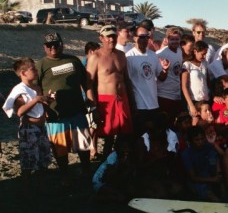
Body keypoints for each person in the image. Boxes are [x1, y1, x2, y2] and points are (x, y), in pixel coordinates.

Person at [37, 32, 93, 185]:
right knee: (60, 148)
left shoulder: (73, 60)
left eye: (56, 44)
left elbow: (85, 82)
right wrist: (42, 105)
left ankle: (87, 170)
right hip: (55, 114)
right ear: (45, 47)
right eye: (49, 45)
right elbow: (35, 88)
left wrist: (90, 98)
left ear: (62, 44)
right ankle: (64, 175)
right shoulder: (41, 64)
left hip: (77, 110)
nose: (53, 47)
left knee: (83, 144)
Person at [2, 58, 53, 191]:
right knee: (29, 158)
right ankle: (26, 185)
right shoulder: (20, 90)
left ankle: (41, 183)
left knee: (43, 155)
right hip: (29, 128)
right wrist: (36, 100)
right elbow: (20, 111)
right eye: (33, 69)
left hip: (41, 126)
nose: (36, 71)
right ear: (23, 73)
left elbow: (39, 107)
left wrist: (46, 100)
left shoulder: (36, 87)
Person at [86, 25, 135, 156]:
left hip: (122, 99)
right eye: (108, 37)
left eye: (113, 36)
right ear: (101, 38)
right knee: (108, 135)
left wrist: (132, 101)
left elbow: (126, 79)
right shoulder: (95, 57)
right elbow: (88, 84)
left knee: (124, 133)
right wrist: (93, 107)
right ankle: (105, 161)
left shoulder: (121, 55)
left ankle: (120, 161)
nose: (111, 39)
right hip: (106, 100)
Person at [125, 26, 168, 137]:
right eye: (141, 37)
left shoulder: (153, 55)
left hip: (153, 104)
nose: (144, 39)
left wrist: (165, 70)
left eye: (147, 37)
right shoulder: (129, 57)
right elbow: (127, 82)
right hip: (139, 105)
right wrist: (132, 104)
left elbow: (161, 77)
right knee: (140, 137)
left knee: (155, 136)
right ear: (134, 38)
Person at [181, 125, 222, 201]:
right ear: (191, 141)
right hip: (197, 181)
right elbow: (193, 177)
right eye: (197, 140)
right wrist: (213, 179)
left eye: (202, 139)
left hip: (211, 175)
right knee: (213, 198)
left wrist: (218, 174)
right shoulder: (186, 154)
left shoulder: (208, 146)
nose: (200, 142)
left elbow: (220, 157)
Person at [156, 27, 184, 126]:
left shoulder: (180, 51)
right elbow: (160, 77)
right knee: (164, 125)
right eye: (172, 39)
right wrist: (165, 70)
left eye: (177, 39)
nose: (175, 42)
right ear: (167, 40)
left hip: (176, 95)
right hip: (164, 95)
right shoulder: (161, 54)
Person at [181, 40, 211, 116]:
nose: (204, 56)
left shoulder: (205, 63)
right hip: (194, 100)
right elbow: (184, 86)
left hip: (205, 99)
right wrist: (191, 105)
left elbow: (207, 81)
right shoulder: (187, 65)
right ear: (195, 51)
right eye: (202, 54)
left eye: (206, 54)